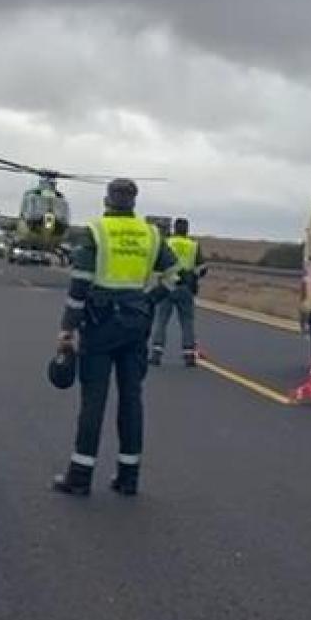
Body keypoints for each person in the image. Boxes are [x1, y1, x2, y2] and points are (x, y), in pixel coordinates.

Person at [52, 179, 177, 497]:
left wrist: (67, 328)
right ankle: (128, 477)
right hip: (137, 324)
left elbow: (79, 285)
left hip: (100, 324)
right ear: (134, 202)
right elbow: (177, 275)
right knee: (131, 399)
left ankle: (80, 476)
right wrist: (149, 299)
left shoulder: (95, 231)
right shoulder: (150, 234)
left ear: (107, 200)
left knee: (94, 400)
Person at [149, 217, 207, 367]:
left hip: (167, 286)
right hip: (185, 287)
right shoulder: (193, 245)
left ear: (174, 228)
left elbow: (157, 264)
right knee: (187, 321)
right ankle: (189, 356)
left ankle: (156, 354)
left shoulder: (166, 243)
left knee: (161, 321)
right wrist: (193, 277)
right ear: (187, 229)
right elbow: (202, 268)